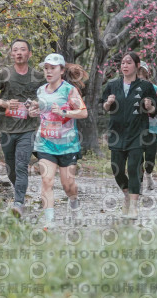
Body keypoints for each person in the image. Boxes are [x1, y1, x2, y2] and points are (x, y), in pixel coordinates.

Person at [29, 54, 88, 228]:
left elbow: (83, 112)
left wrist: (64, 113)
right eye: (46, 68)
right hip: (45, 143)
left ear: (61, 70)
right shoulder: (41, 90)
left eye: (52, 68)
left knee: (67, 185)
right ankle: (49, 221)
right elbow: (43, 111)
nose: (48, 71)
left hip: (67, 145)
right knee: (47, 181)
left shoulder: (69, 90)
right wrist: (34, 111)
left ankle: (74, 202)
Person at [0, 39, 45, 218]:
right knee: (11, 168)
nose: (19, 53)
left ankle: (18, 203)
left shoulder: (38, 76)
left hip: (28, 129)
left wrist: (37, 106)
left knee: (21, 166)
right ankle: (20, 191)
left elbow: (47, 96)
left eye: (23, 50)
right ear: (12, 54)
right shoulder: (4, 73)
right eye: (15, 50)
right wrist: (3, 103)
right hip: (7, 128)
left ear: (29, 54)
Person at [102, 52, 157, 219]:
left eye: (129, 62)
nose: (125, 65)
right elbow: (104, 107)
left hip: (137, 133)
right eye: (123, 63)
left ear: (137, 65)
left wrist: (149, 107)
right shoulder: (113, 85)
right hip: (116, 133)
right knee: (117, 169)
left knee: (134, 168)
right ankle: (126, 193)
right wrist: (108, 103)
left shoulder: (146, 86)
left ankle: (133, 206)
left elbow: (154, 110)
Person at [137, 61, 157, 190]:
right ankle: (138, 182)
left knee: (150, 156)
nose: (139, 75)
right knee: (137, 156)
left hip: (151, 127)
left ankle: (148, 174)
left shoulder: (153, 88)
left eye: (142, 72)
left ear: (147, 73)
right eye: (137, 72)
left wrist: (151, 107)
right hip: (135, 128)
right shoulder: (130, 88)